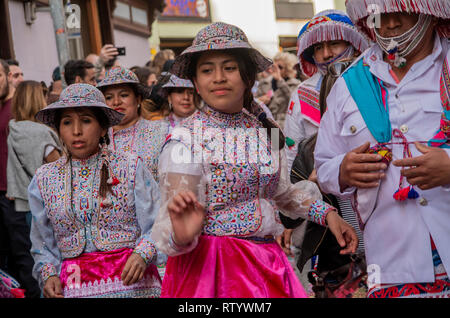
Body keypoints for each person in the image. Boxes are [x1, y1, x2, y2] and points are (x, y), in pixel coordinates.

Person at [150, 22, 358, 298]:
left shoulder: (266, 130)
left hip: (267, 264)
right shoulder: (185, 141)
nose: (219, 77)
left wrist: (327, 214)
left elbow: (281, 193)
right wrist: (183, 235)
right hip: (213, 272)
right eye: (207, 70)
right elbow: (168, 228)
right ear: (196, 84)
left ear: (248, 77)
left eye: (230, 67)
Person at [315, 0, 450, 298]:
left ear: (430, 11)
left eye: (403, 12)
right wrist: (343, 170)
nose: (389, 24)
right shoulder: (348, 84)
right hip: (390, 264)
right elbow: (323, 164)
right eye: (379, 14)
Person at [29, 83, 163, 298]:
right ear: (59, 130)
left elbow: (158, 222)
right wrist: (49, 275)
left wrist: (143, 254)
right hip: (74, 286)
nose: (76, 131)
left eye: (86, 120)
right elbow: (42, 241)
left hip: (134, 284)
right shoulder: (44, 178)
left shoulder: (130, 166)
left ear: (102, 128)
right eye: (66, 122)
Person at [283, 10, 370, 171]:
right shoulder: (302, 93)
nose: (326, 54)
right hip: (321, 188)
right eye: (318, 47)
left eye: (334, 43)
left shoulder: (376, 81)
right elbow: (291, 153)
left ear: (353, 44)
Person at [5, 80, 60, 298]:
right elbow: (57, 166)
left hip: (23, 201)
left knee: (35, 256)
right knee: (54, 255)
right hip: (47, 200)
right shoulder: (41, 132)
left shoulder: (13, 129)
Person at [97, 66, 168, 181]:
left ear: (138, 99)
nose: (116, 102)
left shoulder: (161, 132)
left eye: (124, 95)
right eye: (109, 97)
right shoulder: (97, 138)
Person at [255, 52, 300, 127]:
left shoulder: (295, 84)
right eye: (274, 66)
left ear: (288, 68)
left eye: (280, 67)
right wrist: (260, 100)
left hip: (284, 125)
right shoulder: (265, 82)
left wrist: (280, 80)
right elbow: (254, 102)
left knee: (276, 138)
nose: (276, 69)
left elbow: (294, 102)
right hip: (265, 124)